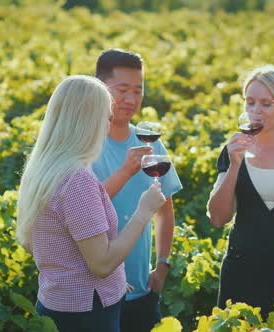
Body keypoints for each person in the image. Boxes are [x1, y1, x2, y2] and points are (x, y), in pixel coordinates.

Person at [15, 75, 166, 332]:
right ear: (88, 121)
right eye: (106, 119)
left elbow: (34, 243)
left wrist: (115, 284)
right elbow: (102, 264)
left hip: (56, 304)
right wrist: (145, 211)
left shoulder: (43, 169)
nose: (108, 127)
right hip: (87, 315)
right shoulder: (77, 180)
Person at [207, 65, 274, 318]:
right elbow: (217, 218)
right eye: (250, 102)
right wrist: (234, 165)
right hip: (241, 270)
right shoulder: (233, 150)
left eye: (266, 104)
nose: (255, 111)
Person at [92, 49, 183, 332]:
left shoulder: (150, 145)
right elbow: (82, 208)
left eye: (138, 91)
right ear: (100, 88)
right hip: (95, 292)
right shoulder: (85, 146)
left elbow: (165, 209)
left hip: (141, 289)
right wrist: (125, 171)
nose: (131, 100)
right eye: (122, 90)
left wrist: (163, 264)